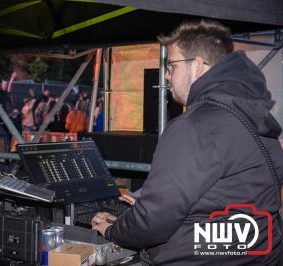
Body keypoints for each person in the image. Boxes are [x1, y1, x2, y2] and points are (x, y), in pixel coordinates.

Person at [92, 19, 283, 265]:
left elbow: (152, 223)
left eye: (171, 66)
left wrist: (114, 228)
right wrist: (155, 199)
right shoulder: (252, 115)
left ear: (198, 66)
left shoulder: (194, 125)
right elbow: (234, 194)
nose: (167, 76)